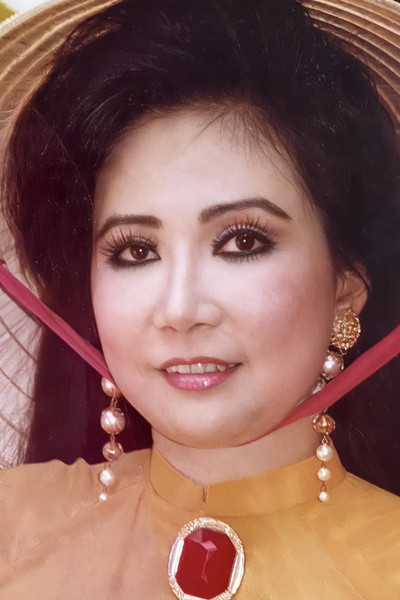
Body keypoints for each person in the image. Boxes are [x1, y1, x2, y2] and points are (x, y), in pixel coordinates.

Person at [0, 0, 400, 597]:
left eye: (242, 241)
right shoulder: (12, 531)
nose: (180, 311)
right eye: (135, 250)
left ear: (346, 287)